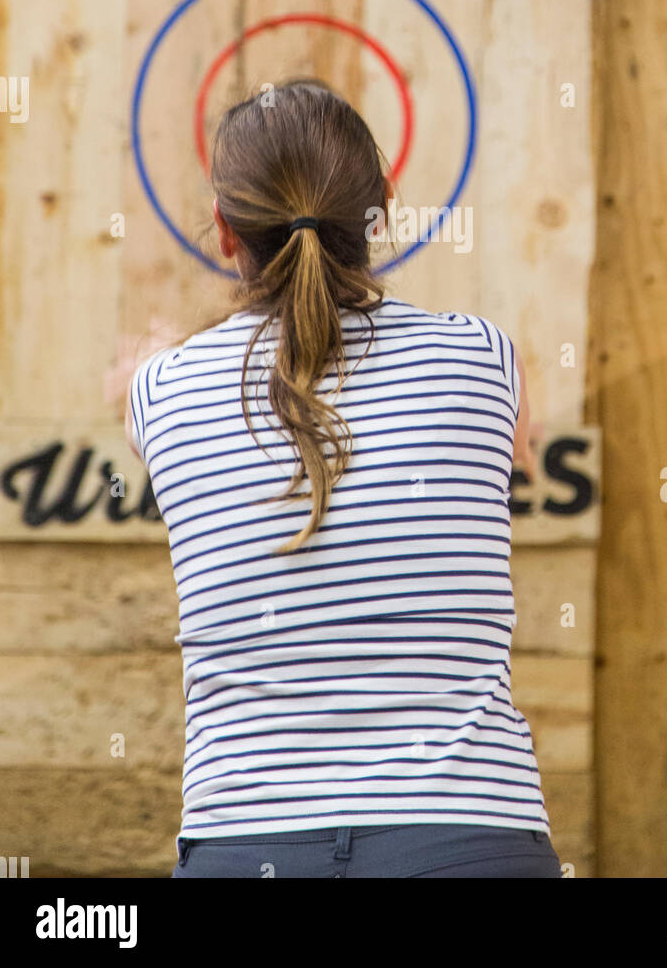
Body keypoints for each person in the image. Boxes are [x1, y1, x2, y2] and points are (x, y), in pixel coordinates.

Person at [126, 78, 560, 879]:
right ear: (382, 212)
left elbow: (202, 397)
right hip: (469, 837)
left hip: (245, 844)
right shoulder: (482, 357)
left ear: (224, 231)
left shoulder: (161, 391)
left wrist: (156, 360)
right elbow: (519, 443)